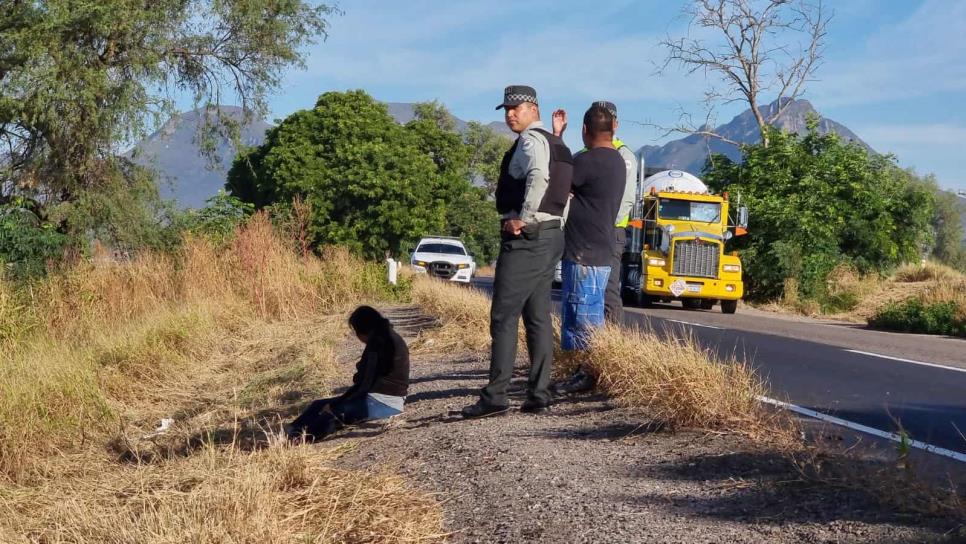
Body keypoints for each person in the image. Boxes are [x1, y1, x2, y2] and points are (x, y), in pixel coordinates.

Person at [461, 85, 572, 418]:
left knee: (503, 316)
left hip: (528, 239)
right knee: (537, 317)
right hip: (551, 235)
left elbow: (539, 176)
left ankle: (495, 396)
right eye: (507, 109)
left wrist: (523, 220)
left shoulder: (530, 141)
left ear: (533, 108)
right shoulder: (557, 144)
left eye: (517, 108)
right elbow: (564, 190)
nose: (510, 114)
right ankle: (538, 394)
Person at [553, 101, 638, 394]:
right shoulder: (619, 160)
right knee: (594, 311)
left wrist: (557, 137)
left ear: (585, 130)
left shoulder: (588, 161)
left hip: (584, 250)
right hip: (601, 245)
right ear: (613, 128)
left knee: (583, 318)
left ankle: (587, 375)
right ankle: (589, 372)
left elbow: (559, 180)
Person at [287, 306, 409, 441]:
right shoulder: (386, 336)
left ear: (362, 330)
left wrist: (337, 403)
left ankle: (296, 440)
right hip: (382, 398)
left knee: (334, 414)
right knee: (318, 405)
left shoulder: (378, 343)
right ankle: (289, 432)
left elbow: (364, 385)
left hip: (384, 402)